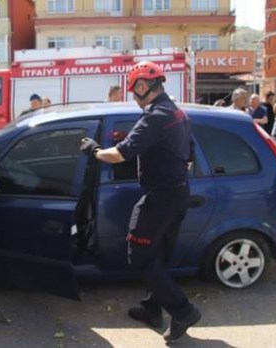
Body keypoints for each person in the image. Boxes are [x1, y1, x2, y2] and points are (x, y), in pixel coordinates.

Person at [79, 61, 200, 343]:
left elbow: (120, 155)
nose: (134, 98)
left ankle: (183, 311)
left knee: (141, 255)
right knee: (157, 254)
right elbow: (186, 152)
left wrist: (94, 150)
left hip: (160, 197)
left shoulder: (155, 115)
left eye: (134, 92)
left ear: (143, 86)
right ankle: (151, 308)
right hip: (178, 192)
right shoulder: (177, 113)